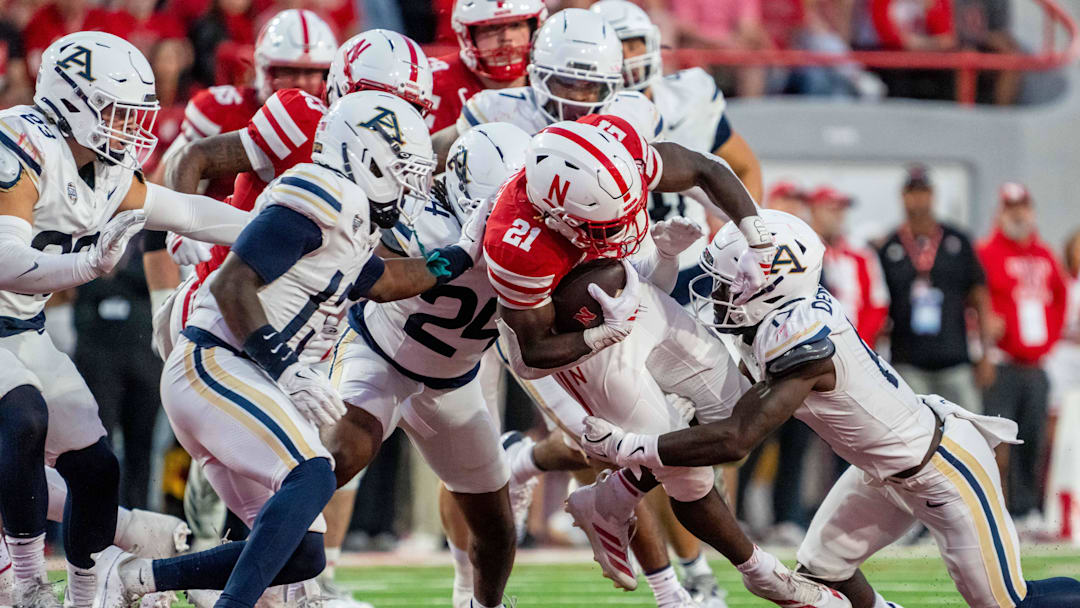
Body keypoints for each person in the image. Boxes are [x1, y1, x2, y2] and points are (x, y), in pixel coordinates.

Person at [580, 209, 1080, 608]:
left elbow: (734, 439)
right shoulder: (776, 318)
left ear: (773, 279)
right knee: (822, 574)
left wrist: (632, 448)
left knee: (1005, 603)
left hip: (939, 466)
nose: (719, 291)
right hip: (878, 469)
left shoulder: (803, 341)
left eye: (731, 279)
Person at [95, 90, 475, 608]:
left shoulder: (351, 214)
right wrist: (289, 368)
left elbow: (384, 280)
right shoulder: (321, 191)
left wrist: (459, 255)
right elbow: (232, 285)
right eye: (403, 169)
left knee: (301, 554)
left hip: (237, 376)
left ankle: (136, 578)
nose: (411, 184)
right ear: (366, 158)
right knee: (313, 472)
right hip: (217, 363)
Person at [487, 119, 845, 608]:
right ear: (557, 217)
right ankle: (764, 575)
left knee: (735, 416)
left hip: (633, 299)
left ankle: (611, 498)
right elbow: (532, 352)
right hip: (577, 343)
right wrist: (599, 334)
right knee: (687, 471)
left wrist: (755, 234)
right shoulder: (516, 244)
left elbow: (704, 168)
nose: (626, 224)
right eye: (608, 225)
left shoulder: (613, 149)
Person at [0, 31, 251, 608]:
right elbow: (9, 263)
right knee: (21, 416)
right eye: (115, 110)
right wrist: (87, 264)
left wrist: (280, 225)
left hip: (23, 331)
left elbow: (185, 211)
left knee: (96, 467)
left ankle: (87, 594)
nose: (128, 125)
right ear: (70, 101)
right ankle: (27, 584)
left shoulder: (105, 167)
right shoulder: (19, 144)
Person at [326, 122, 531, 608]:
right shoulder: (419, 220)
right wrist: (453, 255)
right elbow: (366, 272)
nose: (514, 219)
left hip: (454, 384)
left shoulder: (530, 238)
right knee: (330, 463)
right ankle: (257, 578)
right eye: (500, 205)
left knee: (498, 530)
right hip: (378, 358)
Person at [591, 0, 764, 307]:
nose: (626, 58)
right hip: (613, 278)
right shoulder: (579, 116)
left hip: (693, 268)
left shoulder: (688, 97)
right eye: (616, 47)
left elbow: (745, 166)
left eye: (633, 45)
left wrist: (740, 239)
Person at [976, 183, 1067, 524]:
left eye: (1023, 205)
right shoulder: (986, 252)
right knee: (1000, 443)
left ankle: (1028, 507)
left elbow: (1059, 298)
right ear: (1000, 211)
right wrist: (982, 328)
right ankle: (1002, 508)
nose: (1018, 212)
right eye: (1011, 206)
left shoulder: (1044, 254)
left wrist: (1050, 339)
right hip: (1002, 362)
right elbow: (974, 296)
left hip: (1037, 363)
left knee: (1034, 436)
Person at [877, 164, 995, 412]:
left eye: (923, 192)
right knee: (914, 435)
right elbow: (878, 306)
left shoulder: (957, 241)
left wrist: (986, 354)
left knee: (969, 430)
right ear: (903, 197)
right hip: (907, 360)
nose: (917, 199)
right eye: (912, 192)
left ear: (932, 195)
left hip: (955, 359)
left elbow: (979, 297)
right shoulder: (889, 246)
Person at [426, 0, 547, 131]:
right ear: (468, 34)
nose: (506, 38)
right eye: (492, 27)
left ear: (534, 28)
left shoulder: (554, 76)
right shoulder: (433, 82)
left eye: (515, 25)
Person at [810, 185, 889, 346]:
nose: (838, 216)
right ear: (814, 210)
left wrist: (859, 343)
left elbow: (877, 304)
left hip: (857, 346)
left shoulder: (861, 254)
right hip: (813, 348)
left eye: (841, 209)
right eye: (831, 209)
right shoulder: (805, 251)